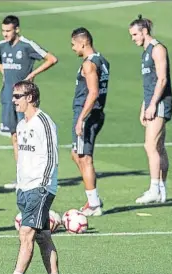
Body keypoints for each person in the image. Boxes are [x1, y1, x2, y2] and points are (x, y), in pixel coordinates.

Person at [0, 81, 64, 274]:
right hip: (24, 187)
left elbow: (52, 156)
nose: (14, 100)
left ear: (30, 97)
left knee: (26, 233)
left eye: (18, 96)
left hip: (40, 187)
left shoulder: (44, 122)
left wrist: (44, 185)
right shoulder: (22, 125)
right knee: (43, 237)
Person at [0, 15, 58, 190]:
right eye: (3, 30)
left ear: (17, 29)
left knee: (27, 137)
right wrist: (5, 73)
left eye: (8, 31)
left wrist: (31, 75)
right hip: (8, 97)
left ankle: (36, 175)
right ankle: (20, 176)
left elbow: (51, 59)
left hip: (24, 99)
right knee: (14, 137)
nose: (5, 34)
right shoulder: (2, 46)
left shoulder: (27, 45)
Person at [129, 15, 172, 204]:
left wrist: (153, 104)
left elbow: (162, 80)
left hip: (161, 103)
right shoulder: (145, 52)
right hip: (152, 102)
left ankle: (154, 188)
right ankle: (162, 190)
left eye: (135, 34)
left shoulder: (157, 49)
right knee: (159, 147)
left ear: (144, 31)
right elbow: (150, 83)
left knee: (150, 146)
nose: (133, 38)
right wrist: (144, 106)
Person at [70, 27, 110, 217]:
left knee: (84, 158)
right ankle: (93, 195)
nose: (72, 48)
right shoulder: (102, 60)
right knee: (76, 154)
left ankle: (94, 204)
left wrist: (81, 119)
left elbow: (93, 93)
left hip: (87, 114)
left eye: (73, 44)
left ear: (82, 43)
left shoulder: (89, 64)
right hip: (94, 114)